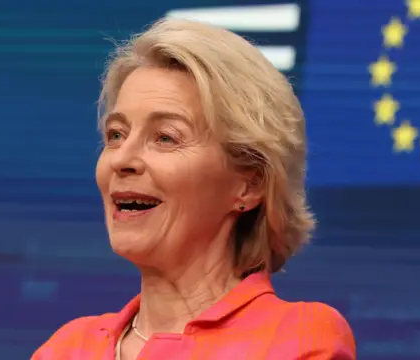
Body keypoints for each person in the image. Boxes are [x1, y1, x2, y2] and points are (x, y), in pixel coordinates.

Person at [31, 17, 355, 360]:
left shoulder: (295, 337)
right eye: (116, 135)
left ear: (249, 184)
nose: (121, 160)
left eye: (165, 138)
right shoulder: (68, 348)